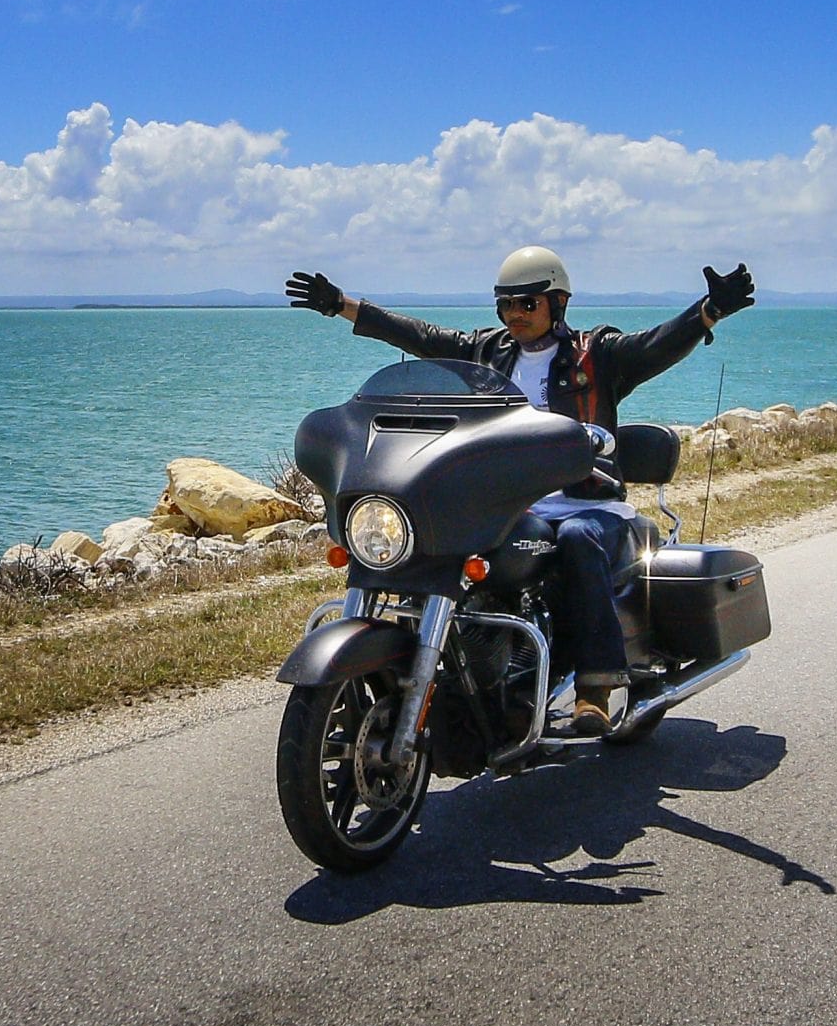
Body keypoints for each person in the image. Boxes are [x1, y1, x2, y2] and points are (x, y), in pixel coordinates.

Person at [284, 247, 755, 736]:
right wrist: (341, 304)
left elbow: (658, 345)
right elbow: (419, 336)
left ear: (557, 303)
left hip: (589, 504)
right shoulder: (487, 353)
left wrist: (710, 310)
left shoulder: (600, 355)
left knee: (576, 540)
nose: (516, 315)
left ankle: (594, 686)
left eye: (528, 304)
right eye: (507, 304)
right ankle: (461, 673)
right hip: (509, 507)